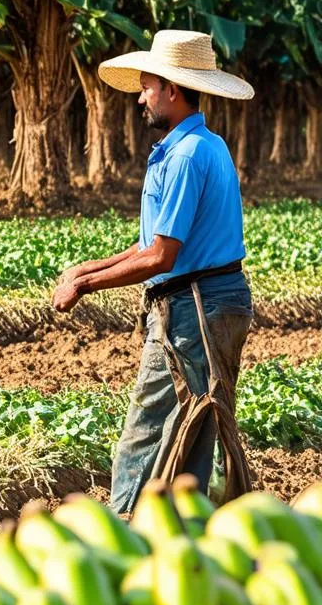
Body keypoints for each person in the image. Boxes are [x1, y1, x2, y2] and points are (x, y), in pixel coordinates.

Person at [51, 30, 255, 514]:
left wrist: (85, 286)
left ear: (172, 89)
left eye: (146, 87)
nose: (140, 97)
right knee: (193, 429)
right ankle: (183, 528)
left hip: (195, 310)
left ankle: (123, 533)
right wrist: (86, 268)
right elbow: (152, 245)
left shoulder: (185, 156)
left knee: (145, 437)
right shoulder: (201, 145)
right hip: (209, 300)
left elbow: (161, 258)